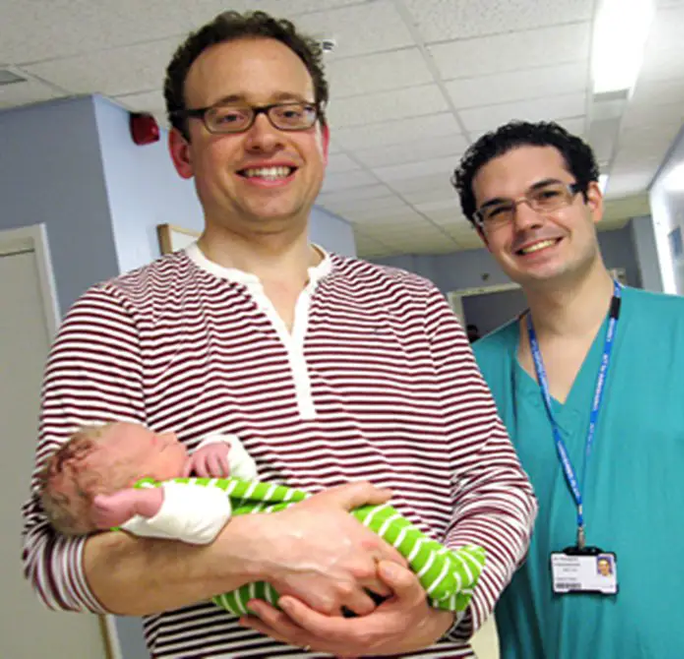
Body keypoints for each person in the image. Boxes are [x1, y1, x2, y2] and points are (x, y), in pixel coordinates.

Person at [21, 12, 537, 659]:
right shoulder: (115, 316)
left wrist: (439, 614)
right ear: (183, 147)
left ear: (320, 134)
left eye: (289, 113)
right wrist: (265, 544)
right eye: (229, 116)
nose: (265, 136)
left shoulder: (415, 304)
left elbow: (497, 485)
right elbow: (55, 562)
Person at [451, 120, 684, 658]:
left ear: (592, 199)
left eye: (547, 194)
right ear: (484, 234)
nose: (526, 221)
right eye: (499, 210)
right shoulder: (470, 375)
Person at [38, 421, 486, 615]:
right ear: (134, 489)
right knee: (378, 522)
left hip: (420, 642)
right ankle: (446, 574)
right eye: (159, 443)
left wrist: (222, 449)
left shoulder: (417, 302)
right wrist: (146, 505)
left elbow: (243, 482)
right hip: (274, 597)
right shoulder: (162, 504)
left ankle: (436, 599)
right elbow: (208, 515)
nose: (173, 435)